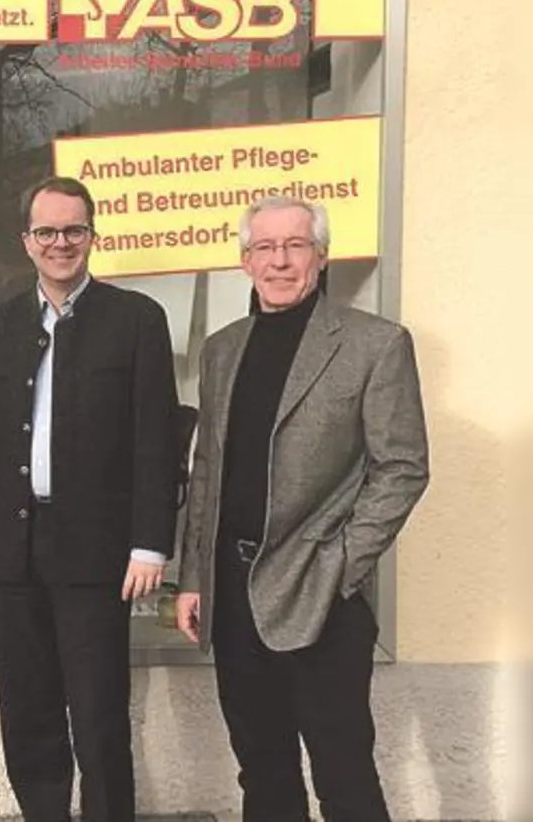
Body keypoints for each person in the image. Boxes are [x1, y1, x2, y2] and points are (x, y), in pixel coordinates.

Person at [173, 195, 430, 822]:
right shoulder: (223, 349)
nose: (279, 261)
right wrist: (192, 578)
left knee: (342, 773)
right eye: (264, 247)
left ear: (320, 256)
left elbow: (402, 466)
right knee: (262, 772)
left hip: (320, 594)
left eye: (294, 246)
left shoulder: (375, 344)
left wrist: (344, 561)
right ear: (245, 261)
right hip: (233, 594)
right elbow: (207, 468)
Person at [0, 176, 179, 822]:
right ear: (26, 241)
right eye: (47, 231)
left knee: (99, 715)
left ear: (92, 236)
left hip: (97, 553)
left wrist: (150, 542)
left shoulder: (136, 320)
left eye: (73, 230)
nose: (61, 243)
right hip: (12, 550)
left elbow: (154, 442)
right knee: (29, 714)